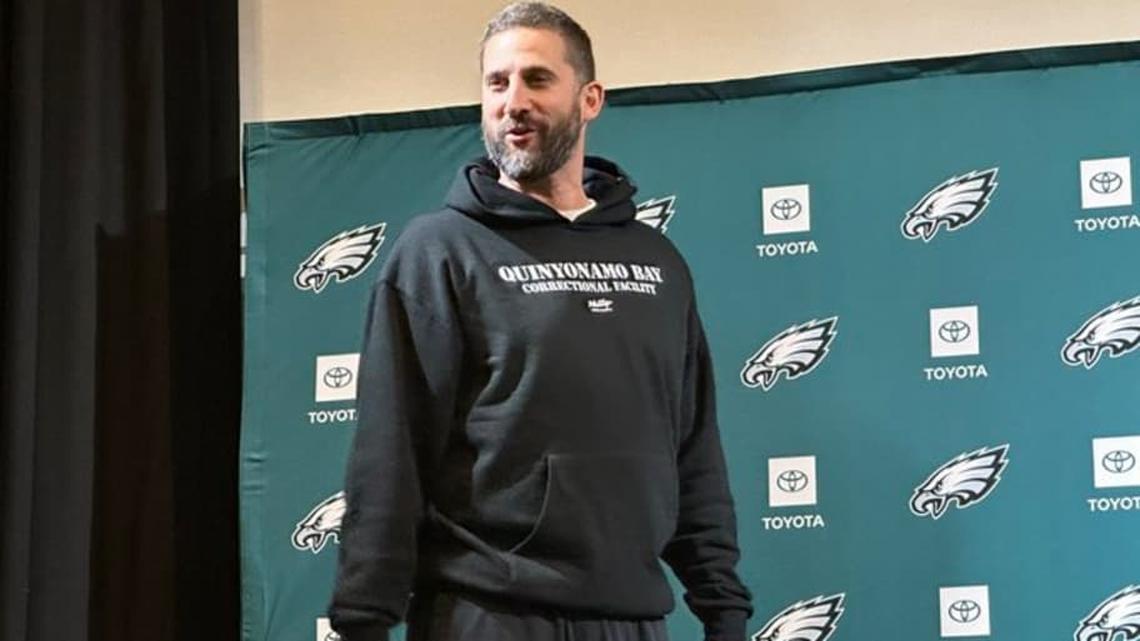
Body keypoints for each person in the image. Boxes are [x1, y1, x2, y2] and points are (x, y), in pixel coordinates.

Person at [328, 3, 753, 640]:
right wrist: (364, 622)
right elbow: (391, 454)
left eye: (537, 80)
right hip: (486, 614)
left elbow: (692, 451)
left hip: (632, 619)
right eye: (496, 83)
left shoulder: (656, 261)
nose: (513, 101)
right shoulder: (440, 251)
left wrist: (723, 610)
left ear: (589, 99)